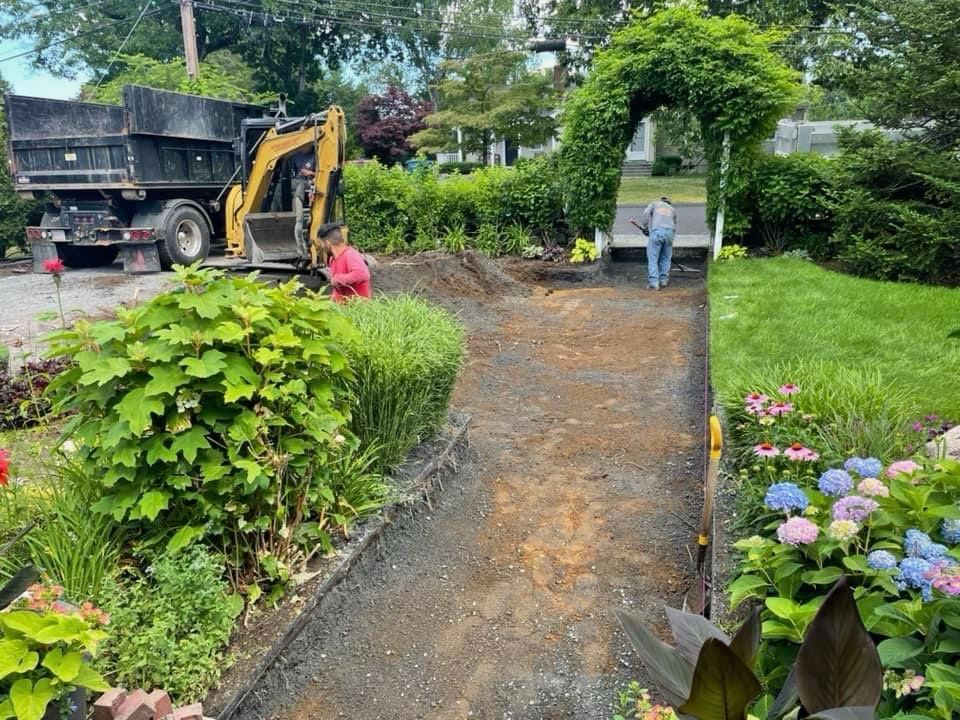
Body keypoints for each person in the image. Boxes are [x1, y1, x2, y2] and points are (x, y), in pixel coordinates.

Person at [317, 222, 372, 302]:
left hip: (358, 309)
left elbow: (363, 274)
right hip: (343, 309)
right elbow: (338, 290)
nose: (321, 247)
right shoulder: (332, 259)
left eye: (321, 243)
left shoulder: (350, 254)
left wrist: (338, 279)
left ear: (327, 243)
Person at [640, 196, 677, 290]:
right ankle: (663, 280)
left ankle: (654, 282)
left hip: (657, 232)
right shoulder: (672, 209)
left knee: (653, 257)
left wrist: (645, 227)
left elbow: (645, 214)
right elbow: (674, 224)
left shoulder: (654, 204)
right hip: (670, 233)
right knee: (666, 257)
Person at [291, 150, 316, 265]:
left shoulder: (316, 155)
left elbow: (323, 173)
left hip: (310, 185)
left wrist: (310, 173)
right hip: (296, 187)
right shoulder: (295, 156)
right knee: (299, 222)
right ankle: (301, 251)